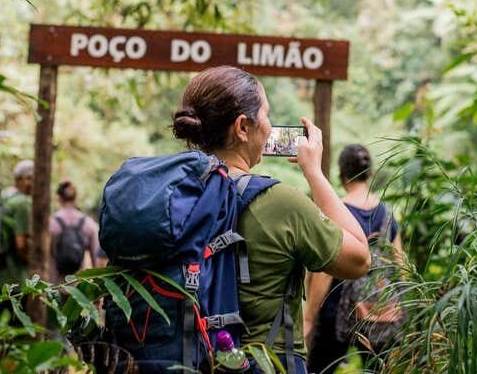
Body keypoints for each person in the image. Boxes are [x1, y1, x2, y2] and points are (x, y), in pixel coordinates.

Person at [171, 66, 371, 373]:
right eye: (266, 114)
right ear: (242, 127)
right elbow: (359, 260)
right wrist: (314, 173)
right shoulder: (280, 203)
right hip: (266, 364)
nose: (269, 125)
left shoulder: (171, 197)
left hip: (187, 361)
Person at [304, 144, 406, 373]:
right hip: (379, 311)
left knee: (319, 368)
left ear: (342, 173)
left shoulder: (336, 211)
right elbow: (400, 266)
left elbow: (324, 272)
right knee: (380, 369)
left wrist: (309, 317)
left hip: (337, 312)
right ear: (369, 172)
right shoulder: (387, 214)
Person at [0, 159, 34, 290]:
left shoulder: (4, 195)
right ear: (25, 179)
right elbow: (21, 245)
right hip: (14, 278)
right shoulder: (23, 203)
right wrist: (34, 264)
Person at [48, 180, 100, 284]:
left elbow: (45, 257)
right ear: (76, 197)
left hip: (55, 286)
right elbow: (96, 260)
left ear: (58, 198)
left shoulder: (51, 223)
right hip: (78, 285)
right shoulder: (88, 223)